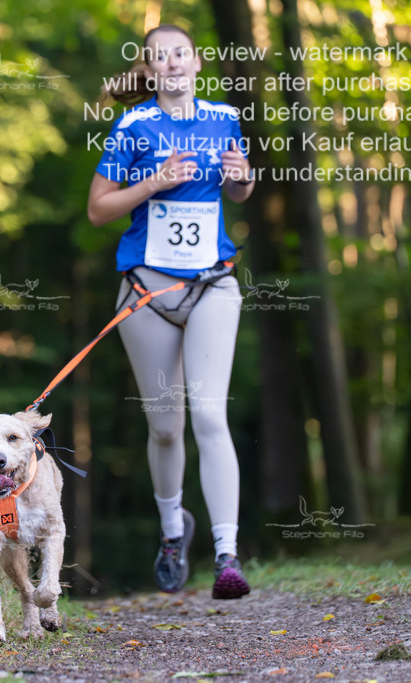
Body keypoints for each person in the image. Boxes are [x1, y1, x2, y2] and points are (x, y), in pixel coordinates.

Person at [87, 24, 253, 599]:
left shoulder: (223, 116)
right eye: (161, 58)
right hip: (147, 293)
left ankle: (228, 556)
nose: (173, 64)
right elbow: (98, 210)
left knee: (210, 417)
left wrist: (242, 180)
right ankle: (171, 532)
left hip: (212, 284)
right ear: (151, 70)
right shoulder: (132, 126)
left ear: (197, 62)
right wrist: (153, 182)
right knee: (164, 427)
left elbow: (238, 191)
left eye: (180, 53)